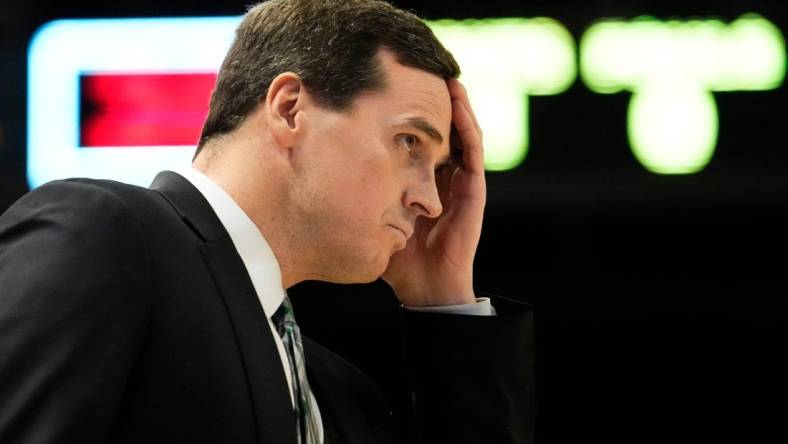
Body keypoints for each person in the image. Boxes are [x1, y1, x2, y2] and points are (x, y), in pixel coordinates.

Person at [0, 0, 534, 443]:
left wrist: (445, 302)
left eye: (438, 171)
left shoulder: (336, 392)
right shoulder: (104, 232)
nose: (431, 202)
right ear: (289, 108)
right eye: (410, 143)